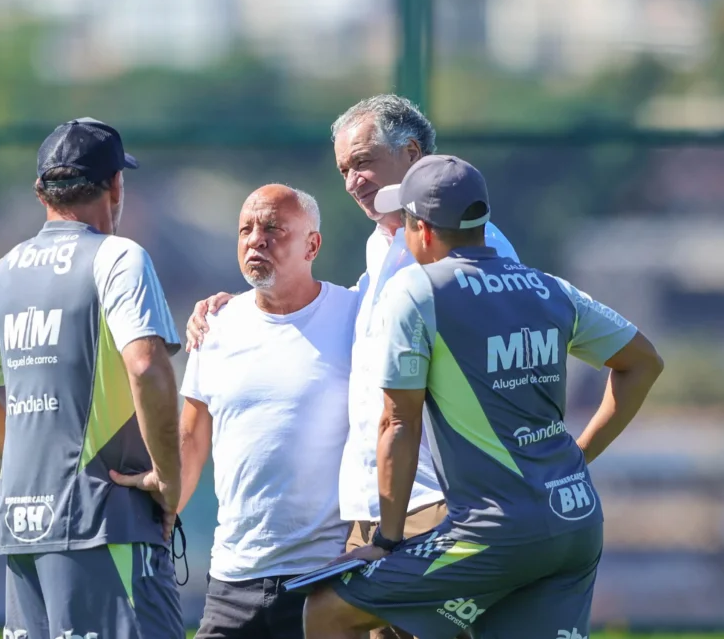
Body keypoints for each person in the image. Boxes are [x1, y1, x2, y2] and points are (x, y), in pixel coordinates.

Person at [185, 95, 517, 639]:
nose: (353, 181)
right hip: (376, 518)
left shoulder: (468, 246)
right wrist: (232, 306)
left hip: (435, 504)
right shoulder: (381, 248)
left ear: (411, 154)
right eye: (344, 169)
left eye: (363, 162)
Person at [302, 155, 665, 639]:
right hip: (575, 521)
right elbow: (643, 362)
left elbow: (397, 423)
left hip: (492, 533)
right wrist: (580, 454)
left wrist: (387, 540)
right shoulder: (547, 287)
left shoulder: (417, 289)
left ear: (423, 231)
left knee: (328, 610)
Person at [0, 118, 185, 639]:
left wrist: (35, 466)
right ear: (116, 185)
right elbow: (146, 365)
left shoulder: (4, 271)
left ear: (40, 191)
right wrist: (167, 478)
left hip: (24, 531)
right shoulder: (119, 257)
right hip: (105, 524)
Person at [176, 184, 357, 639]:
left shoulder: (358, 315)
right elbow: (191, 440)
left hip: (325, 579)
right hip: (231, 580)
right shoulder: (214, 325)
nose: (256, 239)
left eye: (273, 228)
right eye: (245, 229)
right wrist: (155, 524)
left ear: (312, 244)